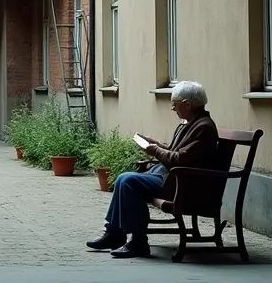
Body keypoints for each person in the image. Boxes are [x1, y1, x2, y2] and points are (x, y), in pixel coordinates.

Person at [86, 80, 219, 258]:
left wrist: (155, 150)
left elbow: (180, 159)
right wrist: (156, 144)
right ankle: (115, 233)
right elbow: (176, 153)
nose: (173, 108)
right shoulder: (192, 123)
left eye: (175, 104)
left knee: (127, 181)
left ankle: (138, 242)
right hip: (171, 177)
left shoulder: (203, 127)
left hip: (182, 183)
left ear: (188, 104)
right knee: (124, 179)